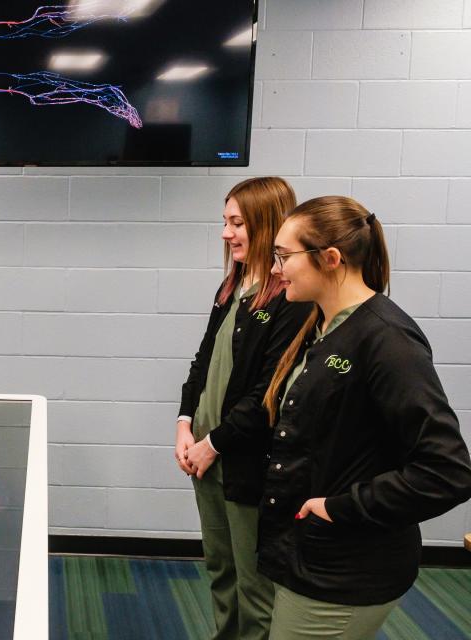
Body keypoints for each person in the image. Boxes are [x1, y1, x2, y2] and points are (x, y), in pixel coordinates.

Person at [258, 196, 471, 639]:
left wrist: (339, 508)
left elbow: (447, 471)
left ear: (330, 259)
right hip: (309, 555)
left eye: (284, 256)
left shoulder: (387, 339)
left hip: (345, 569)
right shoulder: (324, 325)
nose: (276, 268)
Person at [176, 177, 313, 640]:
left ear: (267, 224)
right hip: (205, 459)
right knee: (221, 570)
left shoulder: (290, 300)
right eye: (225, 221)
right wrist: (184, 425)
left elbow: (267, 393)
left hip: (243, 464)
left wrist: (213, 444)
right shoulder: (233, 286)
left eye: (237, 223)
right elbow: (202, 361)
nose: (226, 233)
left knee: (254, 587)